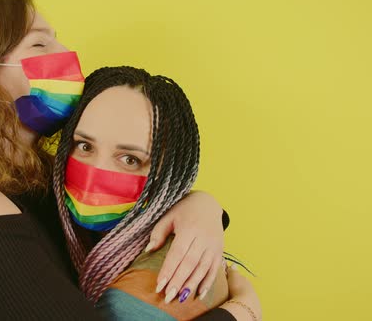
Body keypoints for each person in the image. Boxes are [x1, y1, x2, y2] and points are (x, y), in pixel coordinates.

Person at [0, 0, 246, 319]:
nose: (65, 54)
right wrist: (240, 313)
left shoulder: (38, 182)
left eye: (57, 40)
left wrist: (202, 205)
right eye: (39, 44)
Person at [52, 66, 262, 320]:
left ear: (167, 175)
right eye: (84, 145)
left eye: (130, 159)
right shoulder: (64, 224)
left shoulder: (148, 288)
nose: (96, 171)